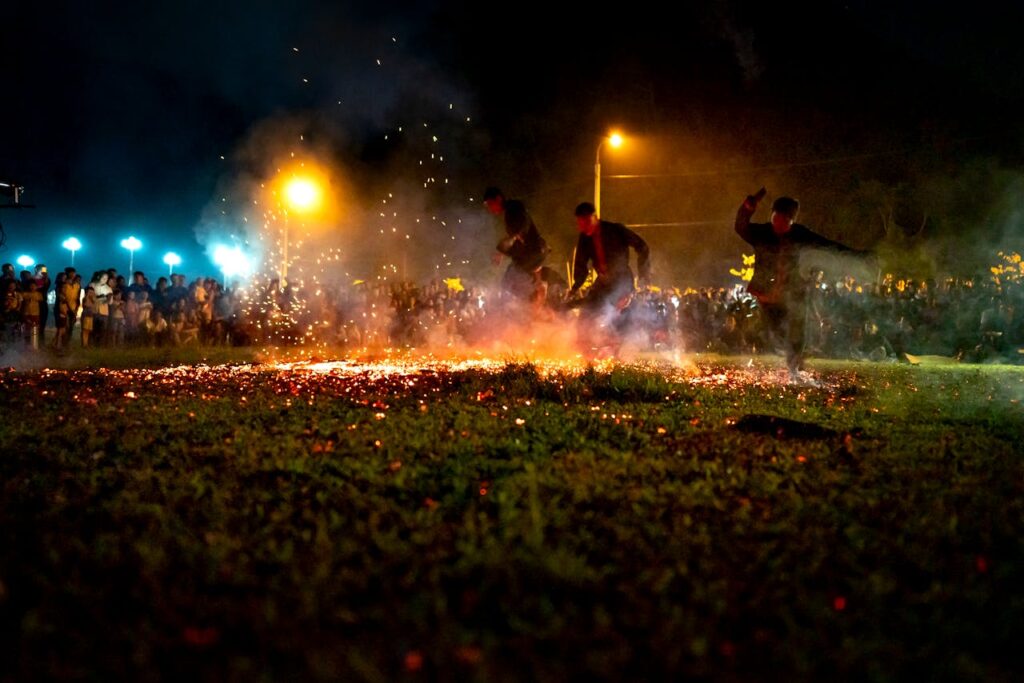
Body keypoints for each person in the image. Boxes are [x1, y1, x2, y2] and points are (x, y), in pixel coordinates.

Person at [735, 187, 868, 381]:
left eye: (785, 221)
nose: (779, 224)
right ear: (772, 215)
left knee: (798, 325)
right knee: (776, 329)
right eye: (776, 218)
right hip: (767, 292)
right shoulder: (761, 233)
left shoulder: (800, 234)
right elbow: (740, 226)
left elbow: (827, 245)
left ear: (792, 221)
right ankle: (787, 357)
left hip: (793, 290)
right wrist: (748, 206)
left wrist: (856, 255)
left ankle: (794, 366)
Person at [567, 201, 651, 352]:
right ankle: (584, 351)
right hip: (603, 282)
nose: (583, 227)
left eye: (586, 222)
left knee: (614, 312)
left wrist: (643, 276)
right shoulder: (584, 238)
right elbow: (580, 263)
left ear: (595, 217)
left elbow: (642, 247)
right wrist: (575, 287)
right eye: (580, 223)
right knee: (586, 312)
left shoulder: (616, 230)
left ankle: (620, 349)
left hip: (622, 280)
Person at [482, 187, 551, 306]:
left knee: (508, 282)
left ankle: (535, 296)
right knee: (512, 279)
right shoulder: (512, 210)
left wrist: (509, 242)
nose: (490, 208)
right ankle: (537, 298)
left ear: (498, 198)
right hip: (534, 253)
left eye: (490, 204)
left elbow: (523, 225)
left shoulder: (514, 209)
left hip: (533, 251)